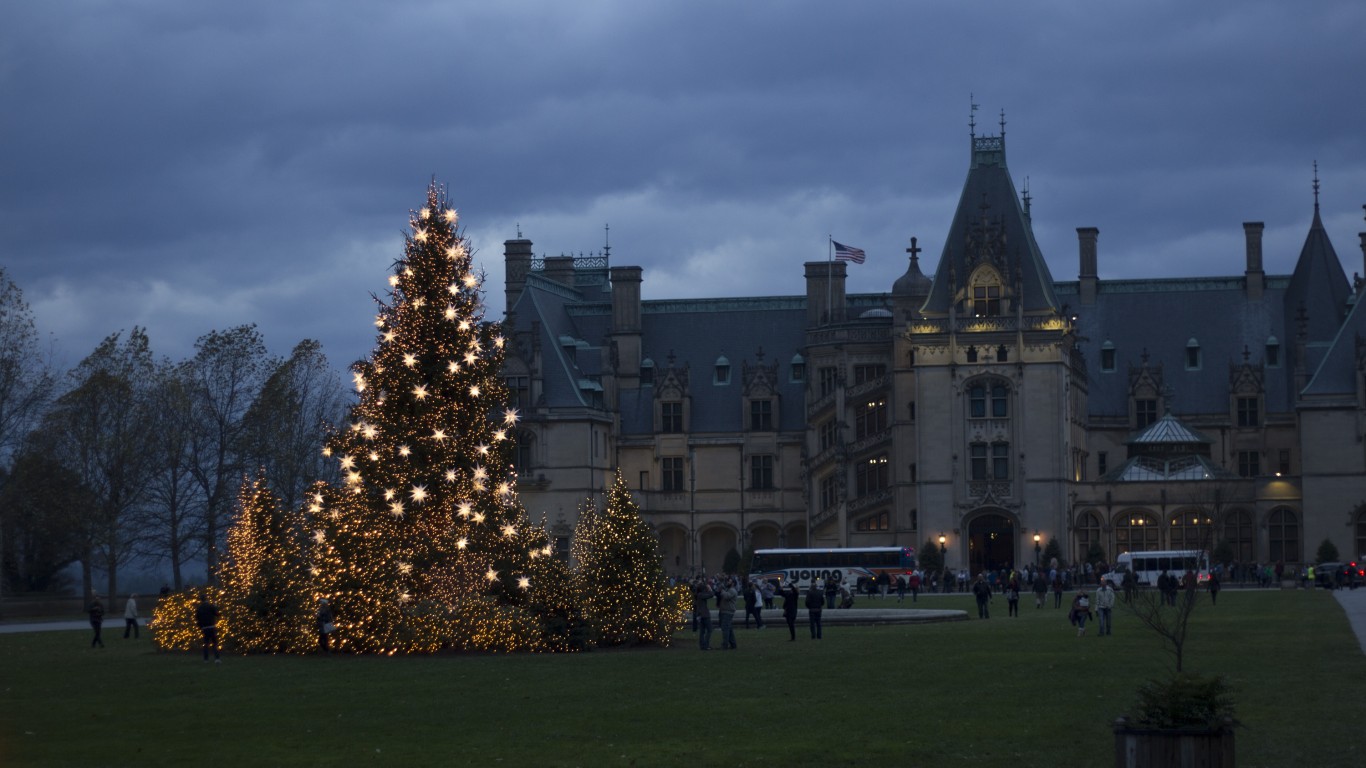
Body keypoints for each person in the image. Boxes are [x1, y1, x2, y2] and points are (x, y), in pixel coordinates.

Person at [195, 591, 221, 663]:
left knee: (206, 644)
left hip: (204, 628)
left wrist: (200, 627)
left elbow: (197, 618)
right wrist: (216, 608)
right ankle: (217, 659)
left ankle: (206, 659)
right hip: (211, 626)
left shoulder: (199, 608)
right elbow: (217, 614)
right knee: (214, 643)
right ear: (206, 598)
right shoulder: (211, 606)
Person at [692, 578, 714, 650]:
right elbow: (711, 595)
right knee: (709, 630)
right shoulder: (701, 595)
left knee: (702, 631)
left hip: (700, 615)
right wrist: (709, 588)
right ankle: (706, 645)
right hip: (705, 614)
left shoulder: (697, 594)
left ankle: (702, 645)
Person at [718, 578, 738, 650]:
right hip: (725, 611)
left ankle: (725, 645)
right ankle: (733, 644)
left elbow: (726, 596)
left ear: (733, 583)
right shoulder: (729, 590)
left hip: (728, 612)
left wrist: (722, 590)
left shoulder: (732, 590)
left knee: (725, 628)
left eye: (729, 581)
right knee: (729, 628)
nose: (727, 582)